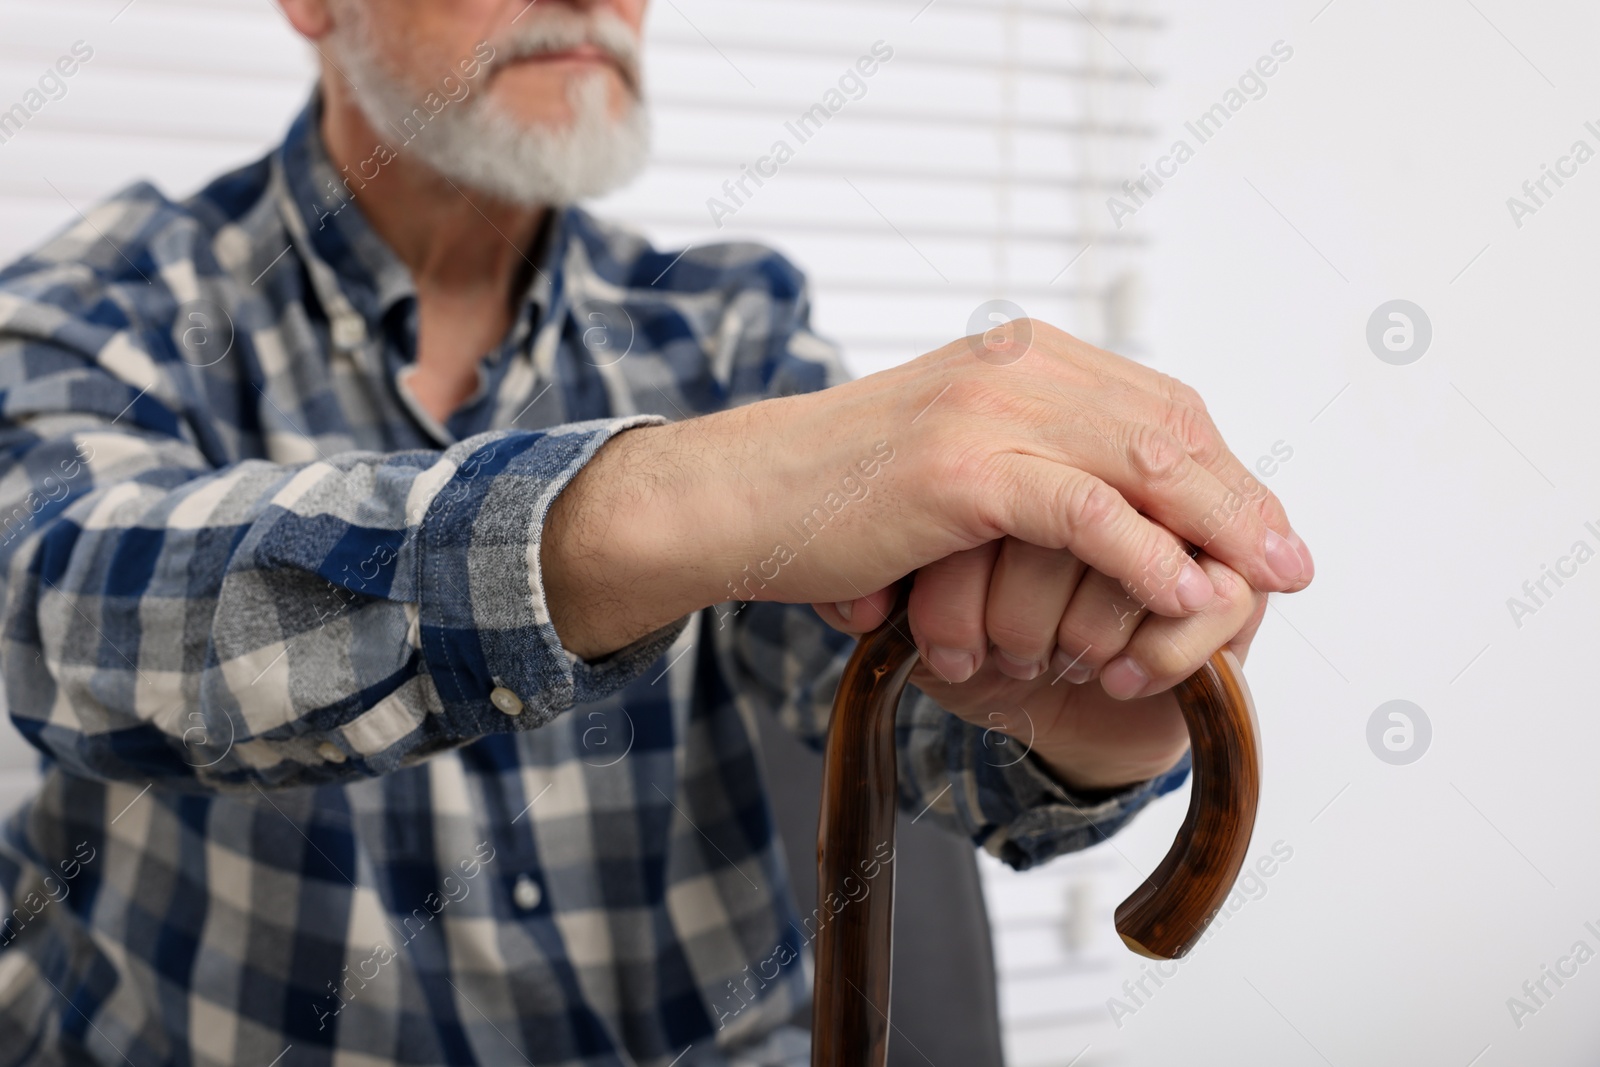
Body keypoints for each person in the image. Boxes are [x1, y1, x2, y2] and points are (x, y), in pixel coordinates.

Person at [0, 1, 1314, 1063]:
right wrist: (665, 504)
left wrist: (1077, 715)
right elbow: (54, 611)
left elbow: (894, 715)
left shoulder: (730, 327)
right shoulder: (117, 298)